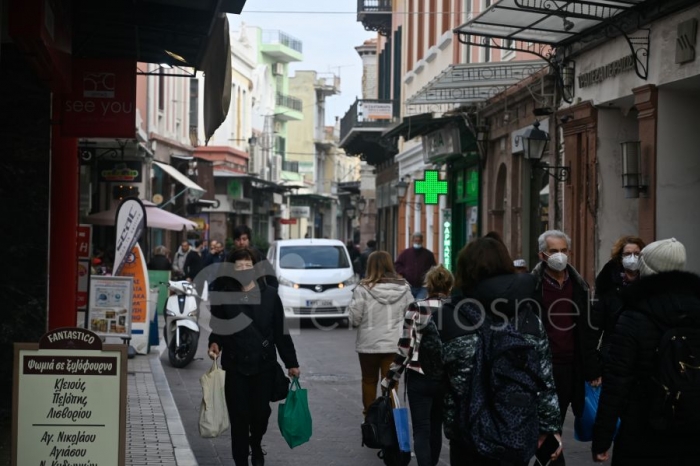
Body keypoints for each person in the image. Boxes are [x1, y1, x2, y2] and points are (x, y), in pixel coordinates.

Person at [430, 238, 561, 465]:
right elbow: (545, 378)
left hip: (467, 431)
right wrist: (550, 428)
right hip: (517, 429)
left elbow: (433, 370)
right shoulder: (529, 317)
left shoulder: (446, 318)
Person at [592, 238, 700, 465]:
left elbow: (617, 381)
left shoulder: (634, 314)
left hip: (643, 427)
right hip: (691, 424)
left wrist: (602, 439)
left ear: (646, 268)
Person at [208, 247, 300, 466]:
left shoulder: (269, 295)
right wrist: (214, 344)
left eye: (248, 265)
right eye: (238, 266)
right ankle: (241, 459)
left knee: (260, 414)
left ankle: (256, 443)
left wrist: (291, 362)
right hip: (235, 364)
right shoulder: (224, 296)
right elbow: (218, 328)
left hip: (264, 364)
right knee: (239, 417)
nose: (243, 269)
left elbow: (280, 331)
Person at [531, 230, 595, 466]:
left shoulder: (579, 285)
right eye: (554, 251)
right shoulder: (533, 286)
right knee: (548, 426)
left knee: (552, 425)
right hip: (543, 367)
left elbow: (588, 329)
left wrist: (592, 367)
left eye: (563, 250)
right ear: (542, 255)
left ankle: (548, 458)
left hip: (572, 366)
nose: (560, 255)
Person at [381, 265, 454, 466]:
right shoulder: (455, 308)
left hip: (419, 375)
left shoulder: (417, 307)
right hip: (445, 376)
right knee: (436, 426)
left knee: (421, 428)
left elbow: (405, 347)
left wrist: (390, 377)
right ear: (449, 285)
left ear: (428, 284)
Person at [349, 251, 413, 414]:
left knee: (369, 381)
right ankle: (390, 419)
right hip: (394, 344)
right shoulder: (404, 288)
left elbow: (355, 319)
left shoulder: (362, 289)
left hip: (368, 345)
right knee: (391, 382)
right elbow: (411, 315)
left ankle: (370, 419)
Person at [587, 235, 645, 370]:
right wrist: (592, 364)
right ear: (620, 257)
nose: (632, 258)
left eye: (637, 254)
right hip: (613, 350)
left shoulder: (649, 283)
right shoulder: (607, 284)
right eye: (627, 254)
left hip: (642, 352)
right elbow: (596, 324)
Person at [395, 232, 437, 299]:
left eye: (419, 241)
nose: (417, 242)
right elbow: (397, 264)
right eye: (416, 241)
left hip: (423, 286)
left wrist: (429, 277)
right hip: (408, 285)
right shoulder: (406, 253)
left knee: (419, 304)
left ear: (422, 241)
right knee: (409, 304)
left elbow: (434, 267)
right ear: (412, 241)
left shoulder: (428, 254)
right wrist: (404, 272)